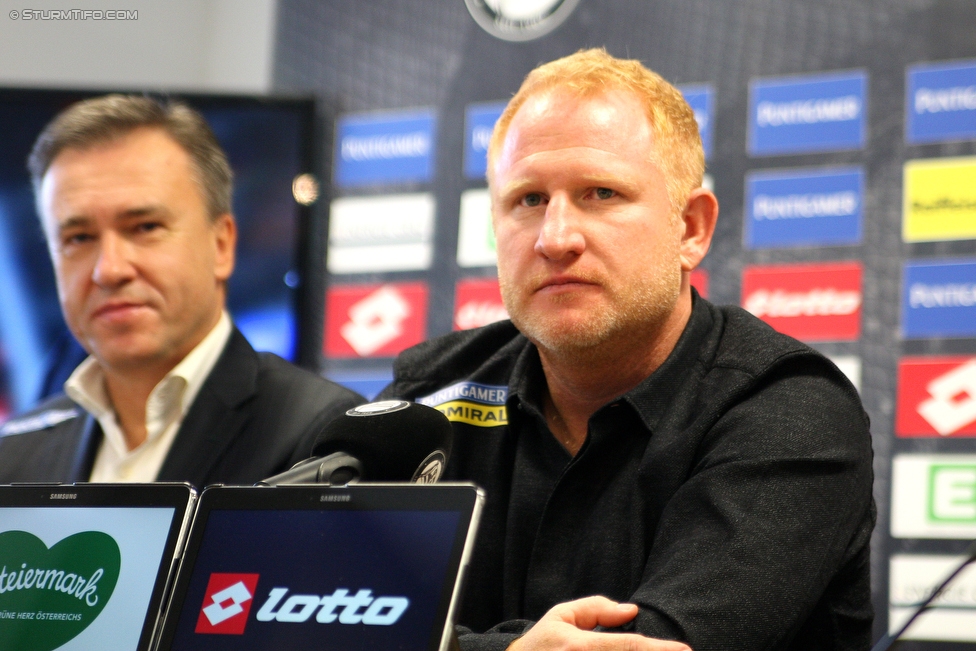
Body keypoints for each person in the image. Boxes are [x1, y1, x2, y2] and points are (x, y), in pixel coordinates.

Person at [379, 49, 875, 651]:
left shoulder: (789, 413)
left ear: (690, 228)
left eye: (601, 193)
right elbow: (305, 613)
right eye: (528, 200)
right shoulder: (429, 394)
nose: (556, 238)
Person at [0, 95, 362, 487]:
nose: (110, 269)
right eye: (79, 237)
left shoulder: (322, 439)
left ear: (221, 244)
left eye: (145, 227)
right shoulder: (15, 453)